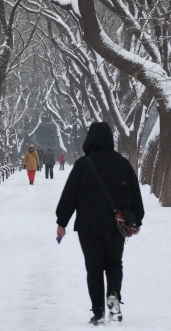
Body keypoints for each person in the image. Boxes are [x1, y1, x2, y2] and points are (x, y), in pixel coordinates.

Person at [55, 122, 144, 326]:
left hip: (88, 226)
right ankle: (113, 296)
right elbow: (135, 194)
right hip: (116, 226)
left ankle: (98, 312)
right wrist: (137, 219)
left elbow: (69, 195)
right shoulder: (123, 164)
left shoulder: (83, 165)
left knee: (93, 268)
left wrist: (62, 221)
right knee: (114, 263)